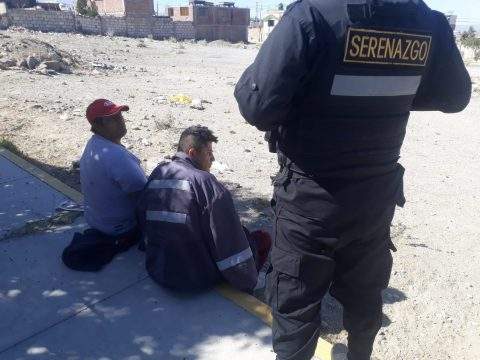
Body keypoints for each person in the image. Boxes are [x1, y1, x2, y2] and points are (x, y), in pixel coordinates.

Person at [234, 1, 471, 359]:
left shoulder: (312, 15)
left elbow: (257, 105)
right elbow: (454, 96)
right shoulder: (428, 21)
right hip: (374, 203)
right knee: (364, 299)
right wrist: (388, 92)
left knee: (296, 309)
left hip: (309, 203)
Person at [137, 125, 270, 292]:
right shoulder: (205, 182)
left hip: (158, 268)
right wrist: (248, 280)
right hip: (195, 277)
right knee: (261, 238)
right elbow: (227, 241)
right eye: (209, 153)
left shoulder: (158, 173)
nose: (212, 158)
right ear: (192, 153)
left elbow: (142, 215)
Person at [62, 99, 147, 271]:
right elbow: (144, 195)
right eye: (112, 119)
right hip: (120, 229)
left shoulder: (94, 144)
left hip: (96, 221)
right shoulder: (116, 156)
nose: (120, 121)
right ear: (97, 125)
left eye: (120, 115)